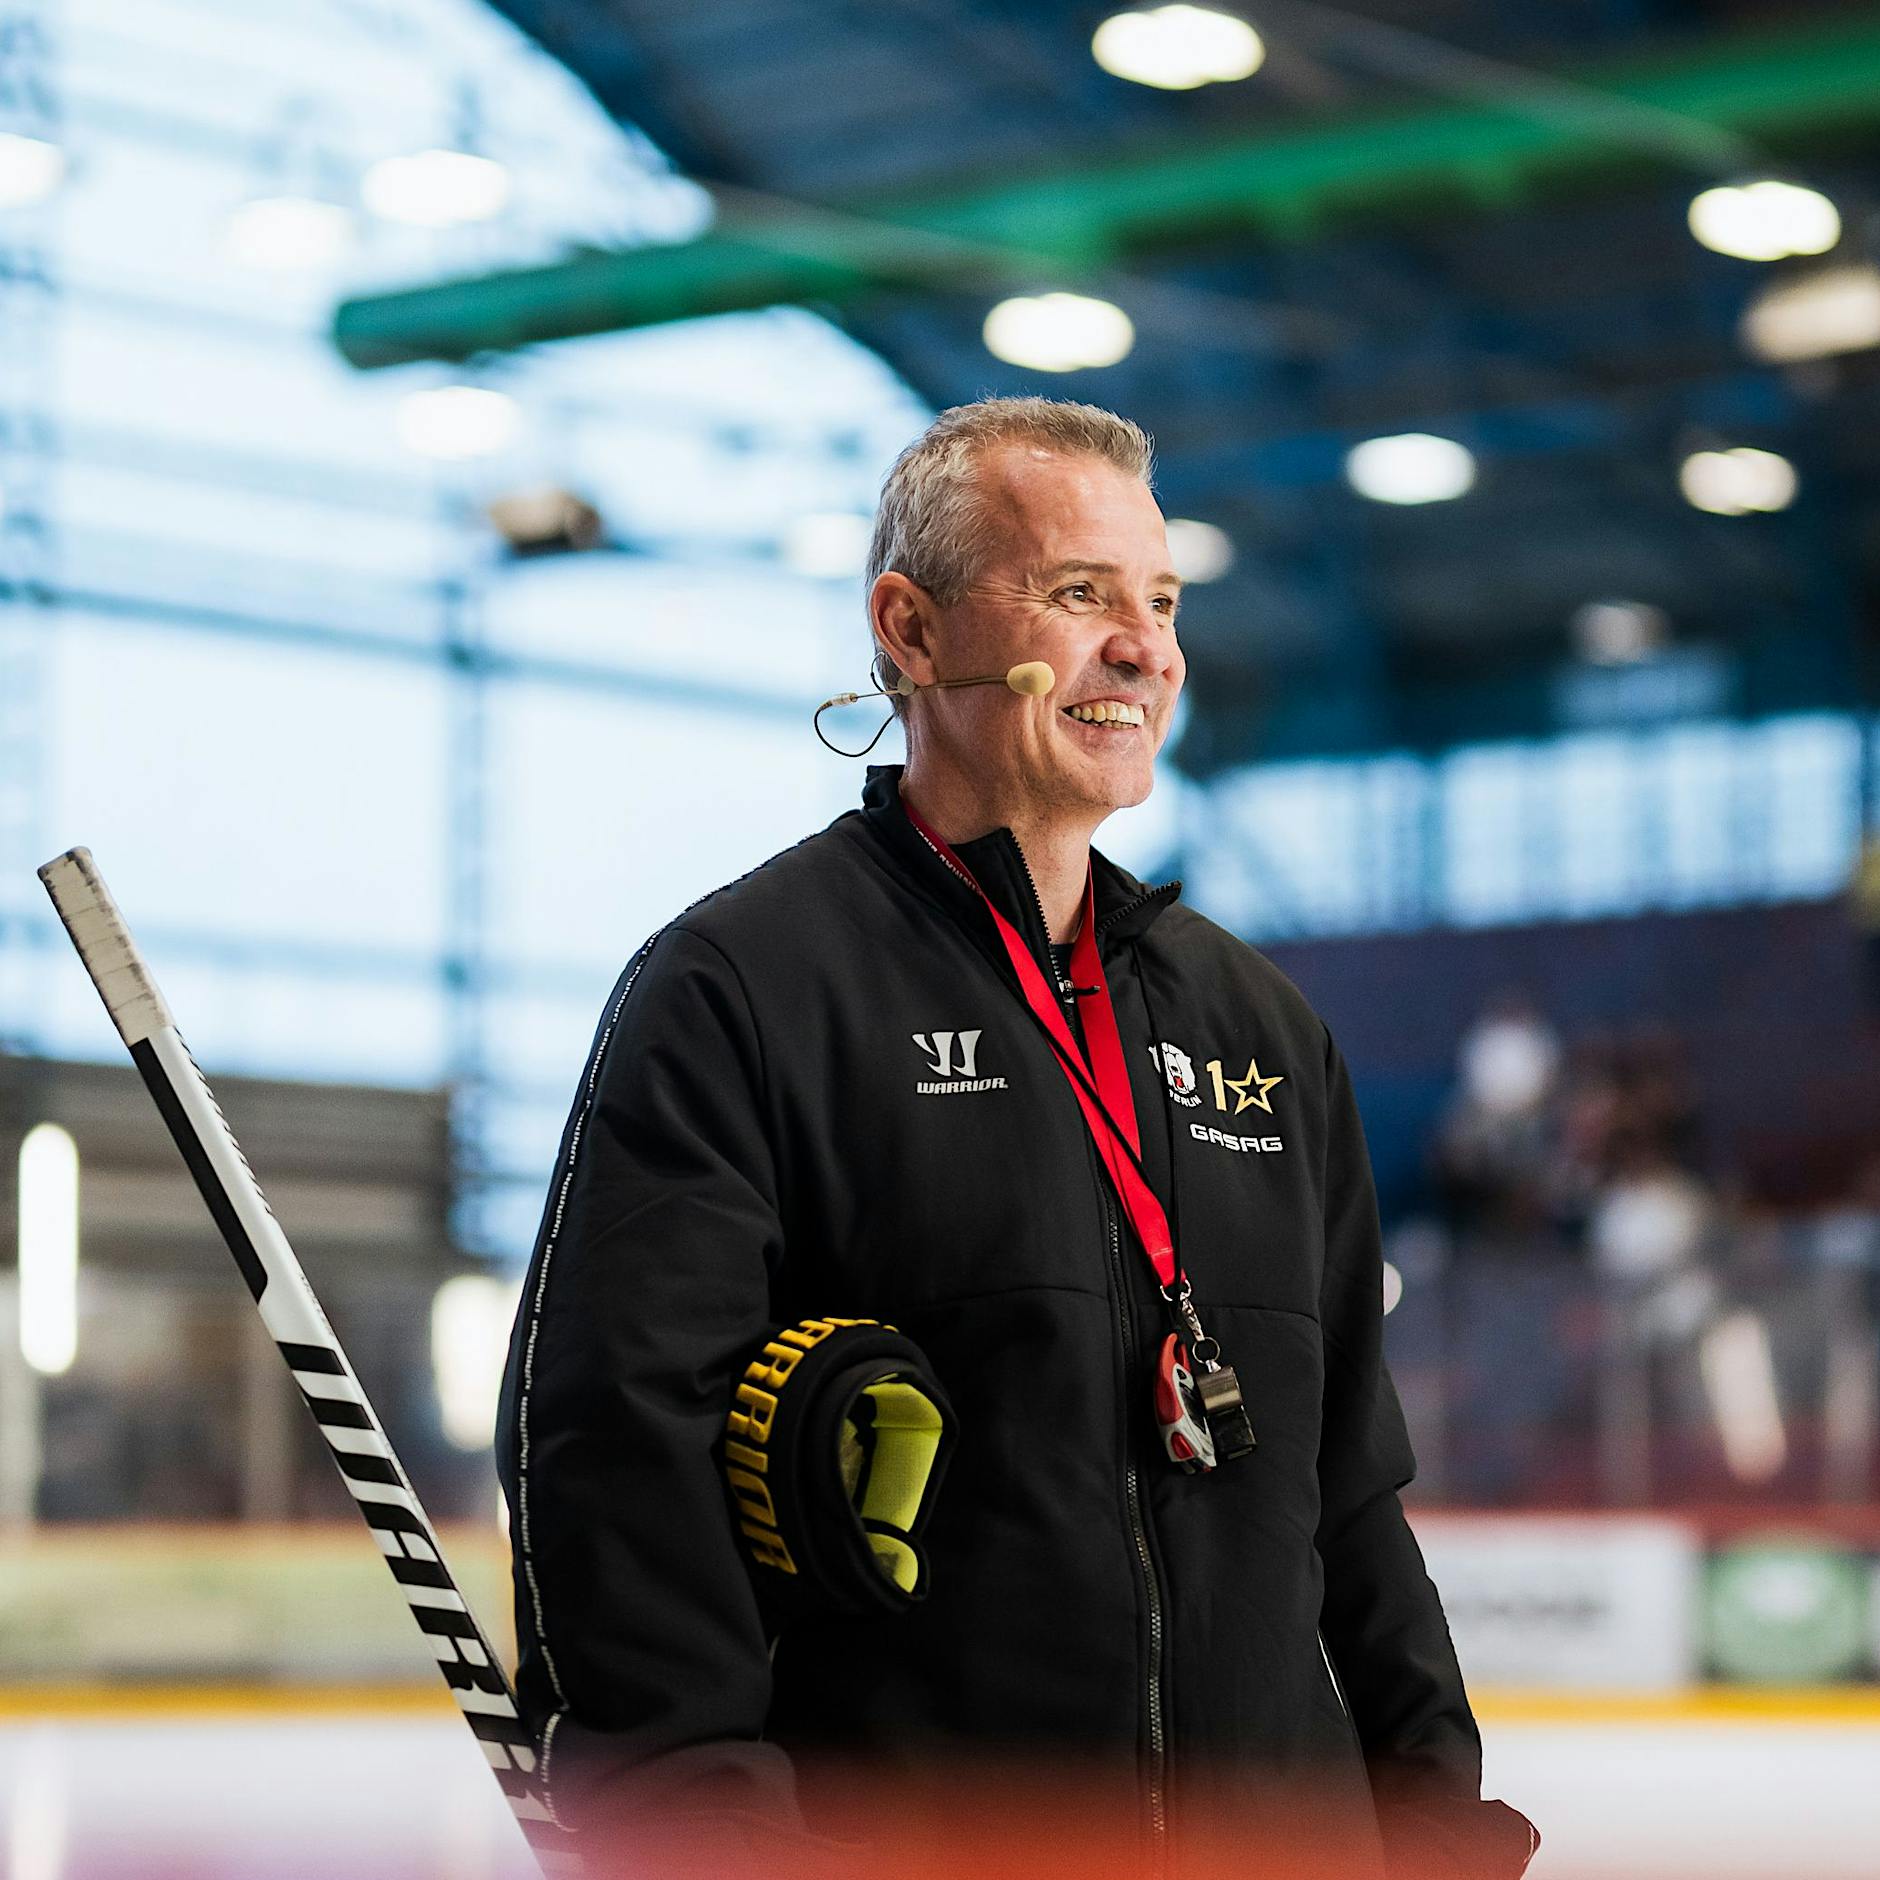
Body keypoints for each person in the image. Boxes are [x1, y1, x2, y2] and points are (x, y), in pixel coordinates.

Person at [495, 397, 1536, 1878]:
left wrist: (1436, 1824)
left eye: (1161, 601)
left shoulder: (1261, 1030)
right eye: (1079, 593)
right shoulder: (745, 989)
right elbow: (617, 1455)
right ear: (910, 634)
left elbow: (1349, 1490)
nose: (1147, 647)